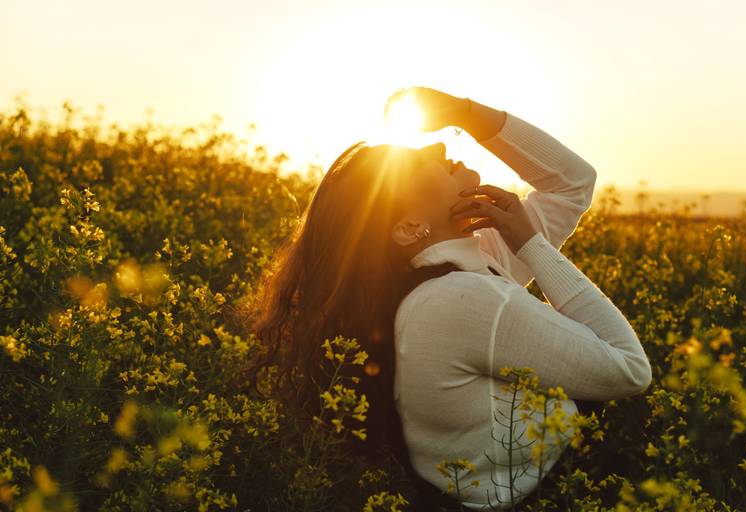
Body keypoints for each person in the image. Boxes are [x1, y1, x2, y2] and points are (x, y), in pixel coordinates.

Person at [241, 86, 653, 511]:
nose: (438, 144)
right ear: (409, 227)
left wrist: (467, 114)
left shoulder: (461, 269)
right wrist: (530, 244)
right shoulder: (460, 299)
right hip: (557, 495)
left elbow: (572, 184)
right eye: (420, 164)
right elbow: (629, 368)